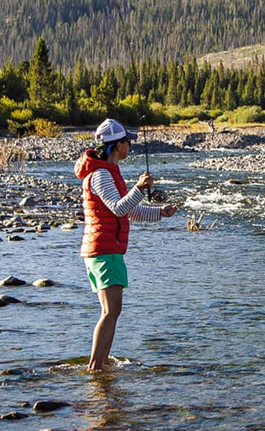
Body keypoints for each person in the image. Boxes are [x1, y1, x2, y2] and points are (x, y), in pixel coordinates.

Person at [76, 117, 177, 371]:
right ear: (115, 145)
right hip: (104, 250)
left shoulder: (106, 172)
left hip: (103, 250)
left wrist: (159, 213)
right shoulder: (100, 175)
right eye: (126, 141)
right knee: (111, 312)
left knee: (111, 312)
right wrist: (140, 188)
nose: (129, 145)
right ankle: (96, 367)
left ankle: (100, 367)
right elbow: (119, 207)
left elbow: (126, 212)